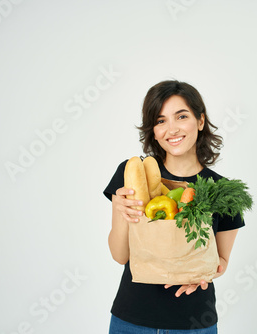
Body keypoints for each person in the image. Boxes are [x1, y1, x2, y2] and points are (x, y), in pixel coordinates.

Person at [103, 80, 245, 333]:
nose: (172, 129)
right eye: (160, 121)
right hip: (131, 320)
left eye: (181, 116)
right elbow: (120, 255)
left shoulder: (224, 191)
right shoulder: (132, 175)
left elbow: (221, 262)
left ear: (200, 121)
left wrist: (203, 276)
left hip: (194, 322)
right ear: (153, 131)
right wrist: (122, 209)